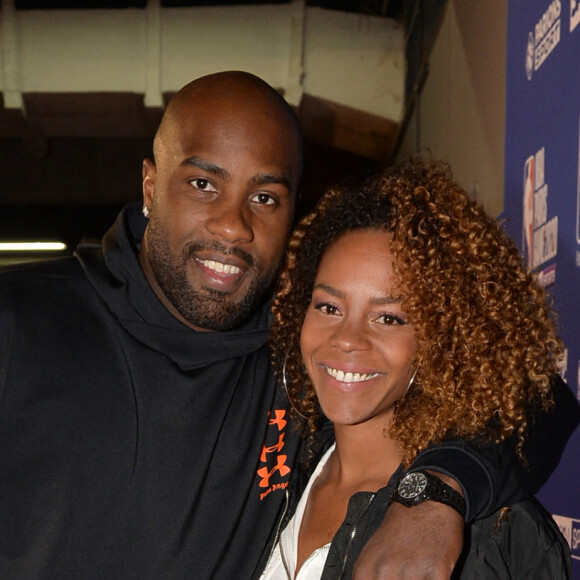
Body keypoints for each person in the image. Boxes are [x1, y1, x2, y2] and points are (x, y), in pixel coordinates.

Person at [0, 72, 577, 579]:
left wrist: (436, 494)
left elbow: (532, 396)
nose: (233, 226)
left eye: (265, 197)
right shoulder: (22, 321)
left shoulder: (294, 355)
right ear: (151, 186)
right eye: (204, 184)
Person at [262, 156, 574, 579]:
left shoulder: (488, 532)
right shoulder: (279, 468)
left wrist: (434, 494)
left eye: (389, 318)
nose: (347, 338)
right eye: (329, 306)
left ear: (443, 340)